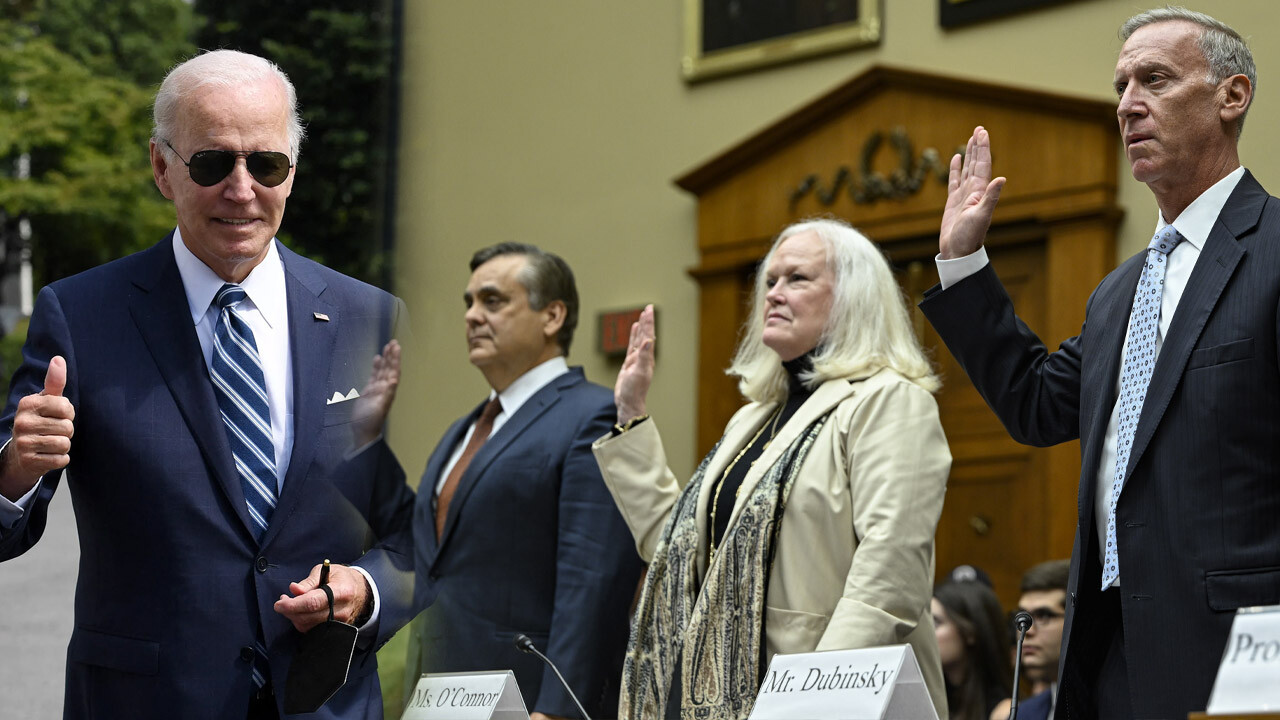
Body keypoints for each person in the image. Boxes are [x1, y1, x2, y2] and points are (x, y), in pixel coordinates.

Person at [0, 50, 416, 719]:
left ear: (293, 171)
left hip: (324, 702)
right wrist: (16, 469)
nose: (242, 188)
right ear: (162, 168)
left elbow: (417, 530)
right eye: (213, 162)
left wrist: (365, 590)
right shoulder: (80, 315)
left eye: (266, 163)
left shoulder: (369, 318)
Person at [918, 7, 1280, 717]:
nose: (1127, 105)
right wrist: (963, 266)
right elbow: (1035, 404)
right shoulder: (1121, 293)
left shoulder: (1274, 251)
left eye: (1155, 79)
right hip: (1107, 653)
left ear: (1231, 96)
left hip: (1241, 652)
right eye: (1120, 86)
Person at [593, 218, 951, 719]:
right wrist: (631, 416)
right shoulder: (753, 418)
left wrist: (816, 696)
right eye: (769, 281)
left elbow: (890, 573)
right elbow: (678, 551)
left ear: (854, 296)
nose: (774, 294)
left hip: (824, 695)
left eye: (797, 279)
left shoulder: (890, 400)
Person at [404, 243, 643, 720]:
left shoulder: (591, 416)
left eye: (493, 302)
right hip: (439, 695)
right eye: (469, 303)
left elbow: (593, 578)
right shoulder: (465, 429)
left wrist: (556, 709)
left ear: (552, 316)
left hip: (529, 699)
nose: (472, 316)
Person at [989, 559, 1069, 720]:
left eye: (1044, 615)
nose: (1026, 630)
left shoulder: (1114, 708)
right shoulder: (1023, 714)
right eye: (1022, 617)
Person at [932, 581, 1012, 720]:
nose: (926, 633)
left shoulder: (1004, 711)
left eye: (935, 623)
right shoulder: (933, 700)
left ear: (970, 632)